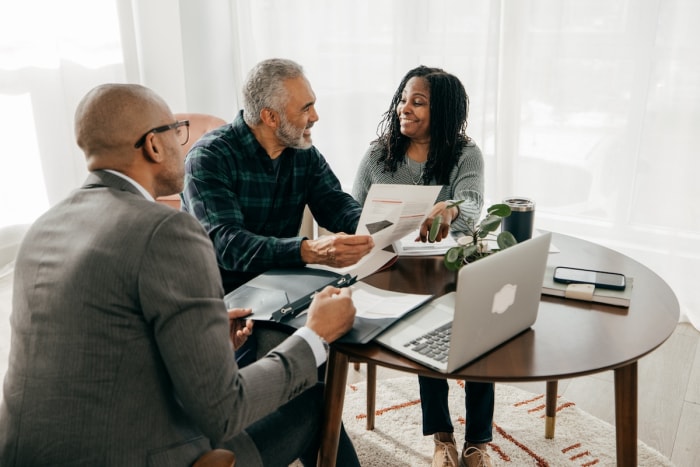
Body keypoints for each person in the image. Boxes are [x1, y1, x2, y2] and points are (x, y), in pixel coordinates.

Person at [0, 83, 361, 467]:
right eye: (176, 129)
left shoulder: (43, 226)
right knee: (316, 401)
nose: (181, 141)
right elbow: (224, 411)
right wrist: (314, 336)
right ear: (153, 145)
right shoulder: (165, 231)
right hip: (134, 455)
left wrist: (201, 336)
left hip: (22, 453)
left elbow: (104, 343)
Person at [352, 66, 493, 467]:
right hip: (394, 269)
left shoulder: (466, 155)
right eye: (402, 99)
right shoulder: (379, 155)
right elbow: (350, 208)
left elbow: (470, 206)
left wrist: (451, 207)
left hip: (453, 268)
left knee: (481, 332)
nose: (404, 109)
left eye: (418, 102)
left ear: (443, 111)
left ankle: (478, 442)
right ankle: (442, 436)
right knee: (424, 324)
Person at [181, 58, 374, 294]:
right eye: (306, 108)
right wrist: (309, 250)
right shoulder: (209, 157)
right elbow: (228, 245)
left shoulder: (304, 153)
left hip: (277, 286)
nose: (315, 116)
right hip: (219, 295)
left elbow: (335, 204)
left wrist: (378, 226)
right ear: (270, 117)